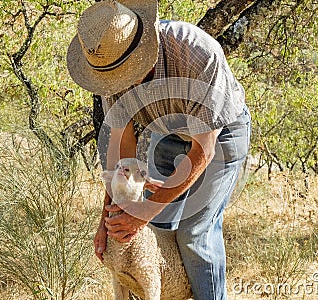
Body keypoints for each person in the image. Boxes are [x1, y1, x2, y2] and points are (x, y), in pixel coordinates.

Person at [66, 0, 251, 299]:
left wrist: (145, 209)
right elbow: (121, 153)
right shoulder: (108, 70)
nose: (118, 83)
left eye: (124, 72)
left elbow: (204, 149)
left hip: (221, 133)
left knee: (195, 233)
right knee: (156, 232)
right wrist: (106, 220)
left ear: (143, 52)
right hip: (167, 134)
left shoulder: (197, 53)